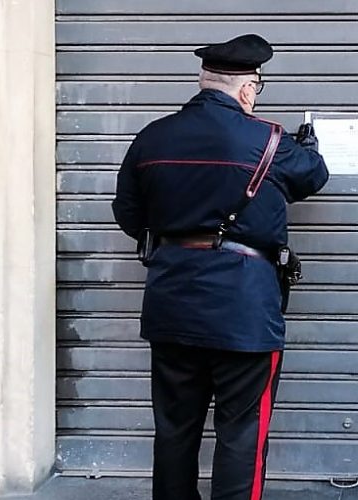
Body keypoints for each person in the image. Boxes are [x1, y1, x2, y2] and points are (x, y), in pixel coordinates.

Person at [112, 33, 329, 500]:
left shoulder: (152, 137)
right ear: (249, 88)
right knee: (242, 433)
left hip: (172, 304)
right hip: (245, 310)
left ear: (203, 81)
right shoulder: (270, 142)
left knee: (174, 430)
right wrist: (308, 146)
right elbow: (314, 175)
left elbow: (128, 215)